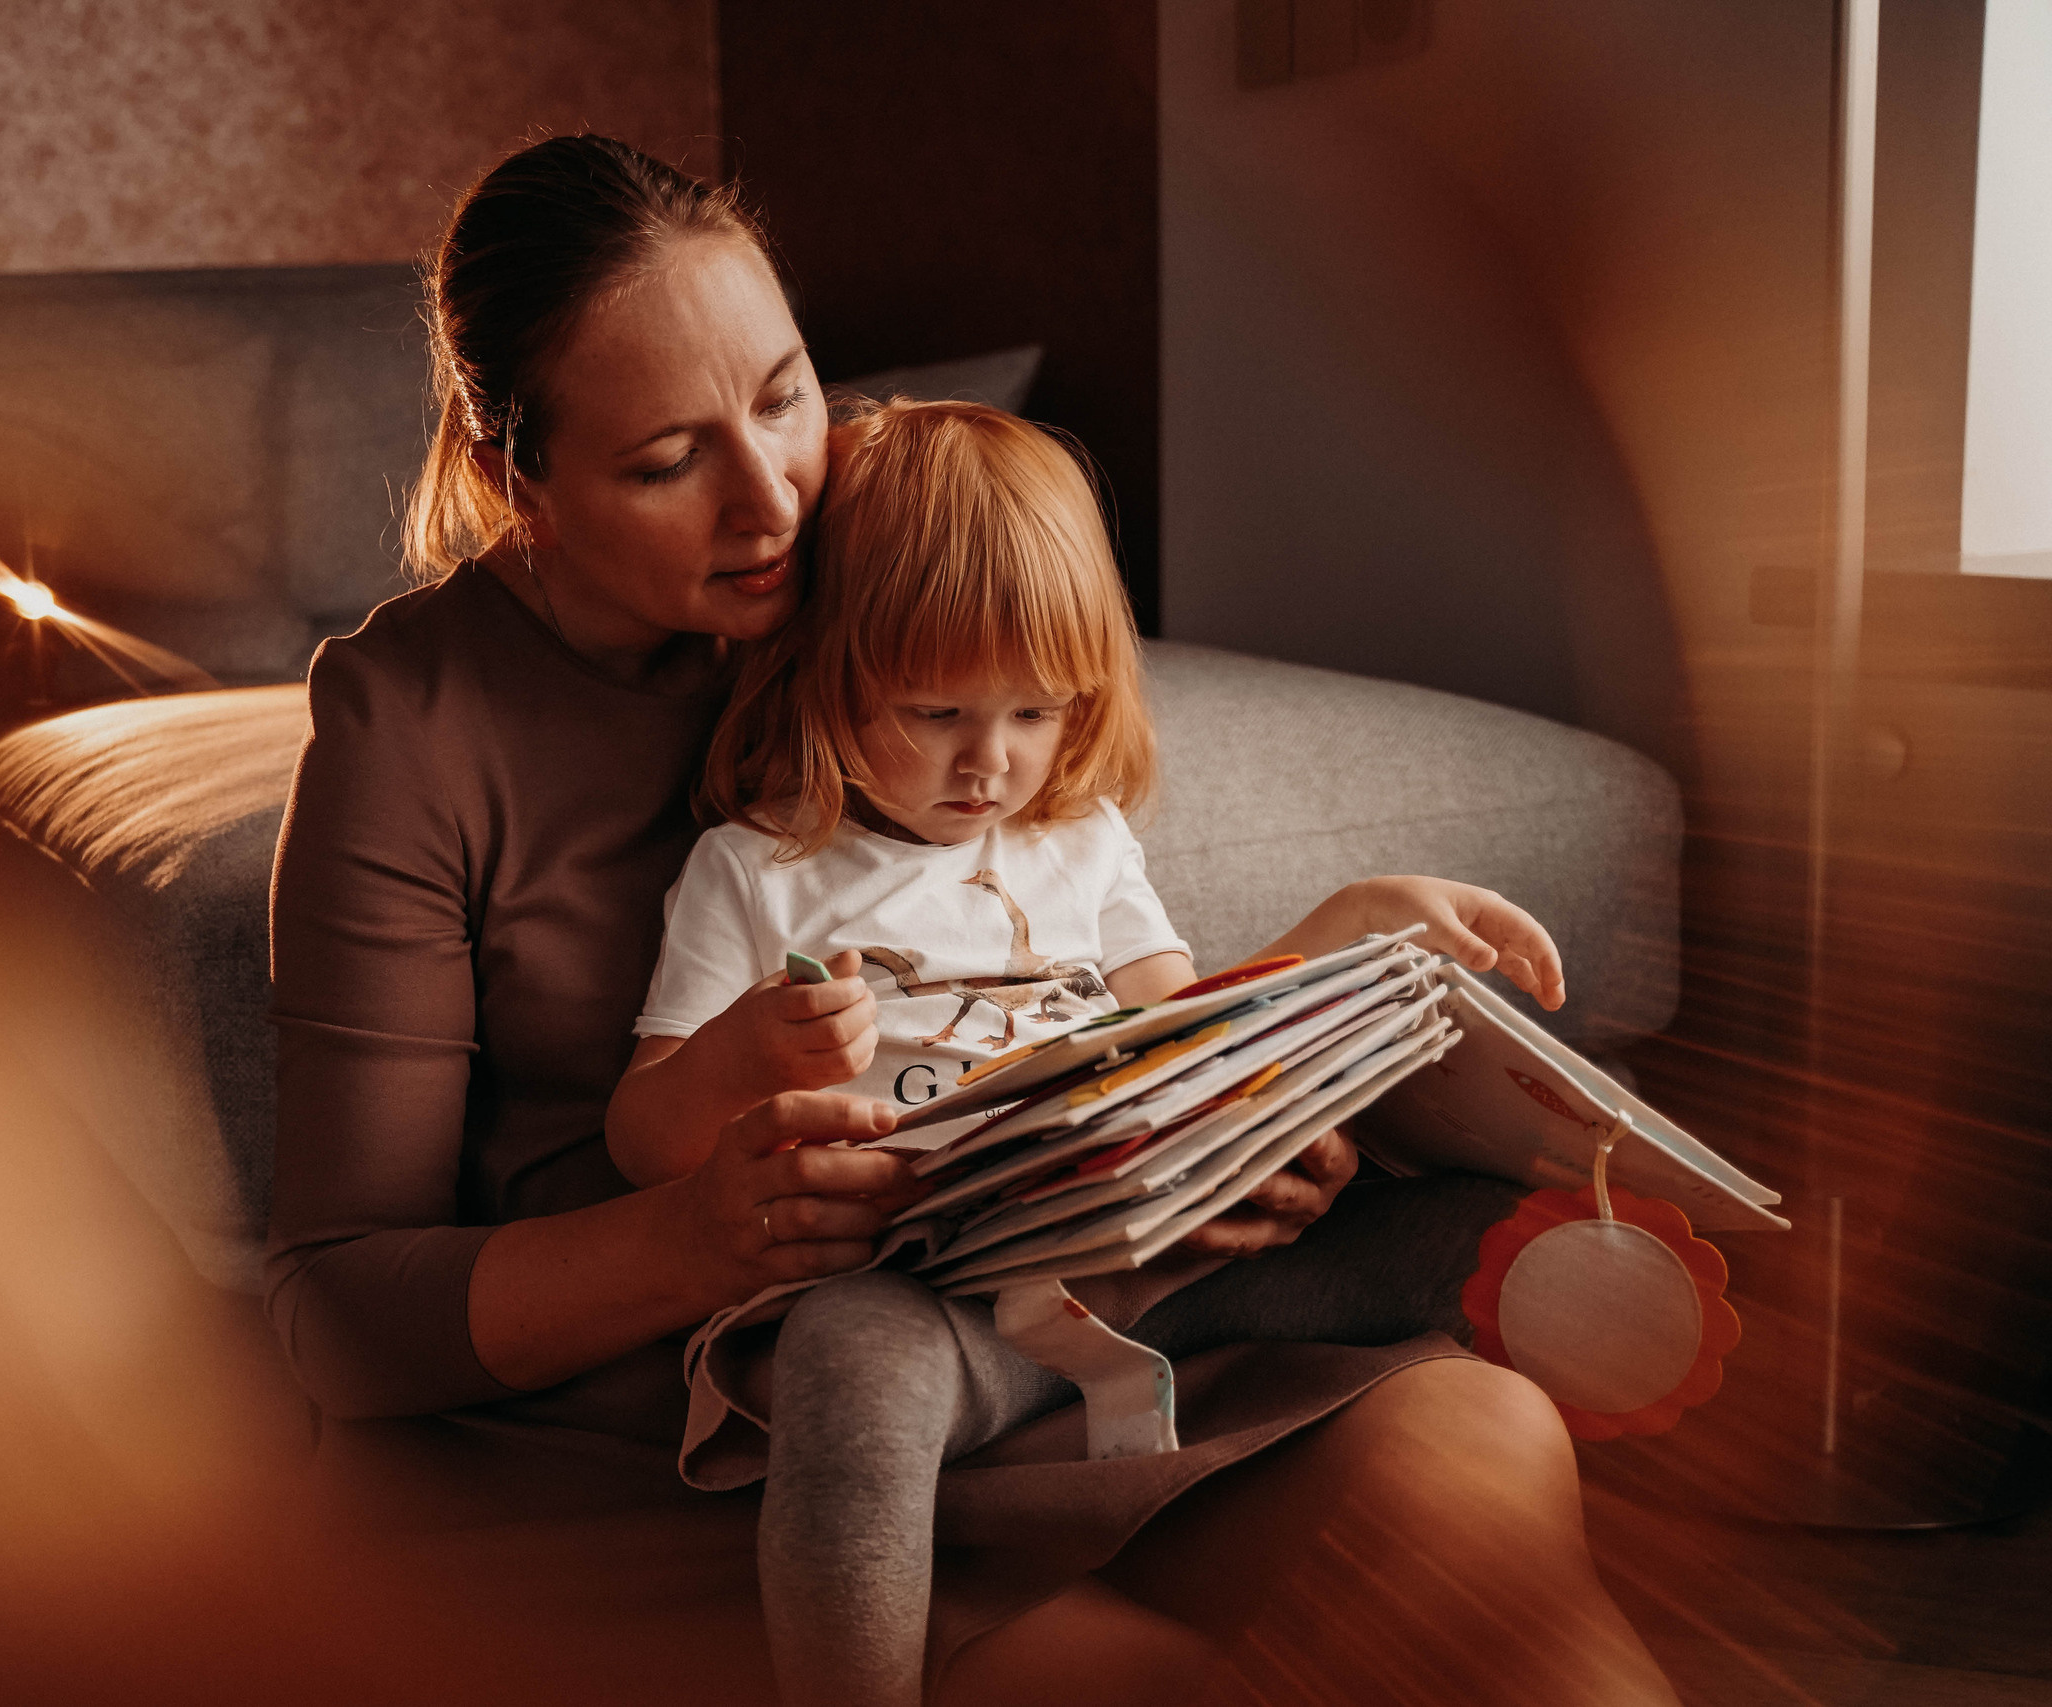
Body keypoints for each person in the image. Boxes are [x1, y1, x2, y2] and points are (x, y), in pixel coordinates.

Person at [266, 132, 1679, 1705]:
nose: (770, 503)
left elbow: (1093, 929)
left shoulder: (877, 540)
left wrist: (1228, 1091)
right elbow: (339, 1316)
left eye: (788, 394)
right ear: (512, 472)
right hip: (715, 1430)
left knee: (1481, 1455)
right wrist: (691, 1236)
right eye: (666, 462)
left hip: (1071, 1328)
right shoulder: (411, 726)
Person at [606, 397, 1577, 1707]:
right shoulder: (758, 871)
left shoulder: (1086, 843)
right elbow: (642, 1137)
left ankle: (1628, 1325)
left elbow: (1188, 1031)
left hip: (1151, 1258)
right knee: (844, 1374)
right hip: (926, 1291)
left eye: (1034, 713)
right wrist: (739, 1060)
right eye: (936, 709)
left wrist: (1331, 966)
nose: (991, 763)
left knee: (1471, 1225)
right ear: (825, 671)